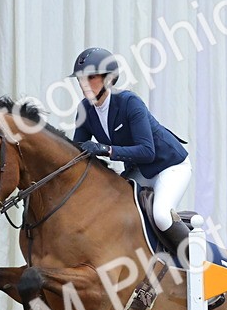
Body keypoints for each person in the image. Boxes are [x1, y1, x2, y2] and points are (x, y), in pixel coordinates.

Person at [69, 47, 194, 252]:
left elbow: (147, 151)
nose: (84, 84)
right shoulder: (85, 109)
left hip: (170, 166)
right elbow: (78, 151)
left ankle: (196, 261)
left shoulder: (129, 102)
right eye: (80, 79)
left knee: (161, 216)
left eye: (91, 77)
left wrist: (104, 149)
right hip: (140, 170)